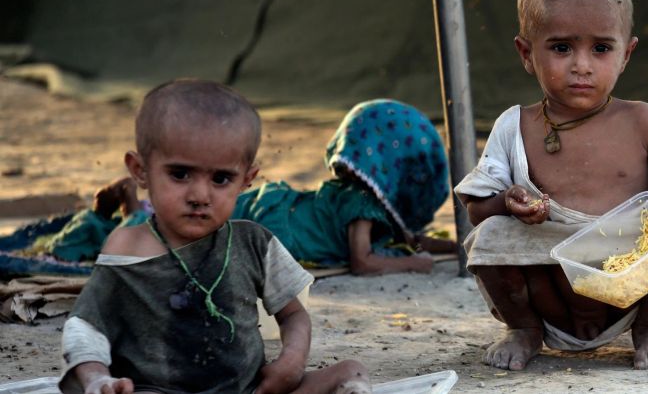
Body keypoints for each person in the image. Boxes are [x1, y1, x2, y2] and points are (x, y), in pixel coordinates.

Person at [454, 0, 648, 372]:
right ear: (527, 53)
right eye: (561, 48)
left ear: (626, 54)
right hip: (547, 284)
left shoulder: (642, 120)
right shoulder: (514, 126)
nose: (582, 65)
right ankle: (522, 330)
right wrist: (509, 201)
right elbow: (477, 208)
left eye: (601, 49)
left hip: (629, 285)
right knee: (489, 235)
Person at [59, 79, 370, 393]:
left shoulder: (254, 243)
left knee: (350, 372)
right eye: (180, 174)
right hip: (157, 389)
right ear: (140, 170)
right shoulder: (127, 246)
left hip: (248, 389)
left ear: (247, 179)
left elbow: (293, 315)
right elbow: (86, 326)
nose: (199, 195)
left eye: (221, 178)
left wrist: (292, 361)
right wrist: (98, 379)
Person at [1, 99, 455, 277]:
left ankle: (134, 205)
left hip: (276, 206)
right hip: (271, 225)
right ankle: (117, 213)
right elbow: (364, 260)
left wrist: (441, 246)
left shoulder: (349, 193)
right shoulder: (363, 209)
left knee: (181, 218)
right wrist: (417, 264)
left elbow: (405, 240)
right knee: (173, 236)